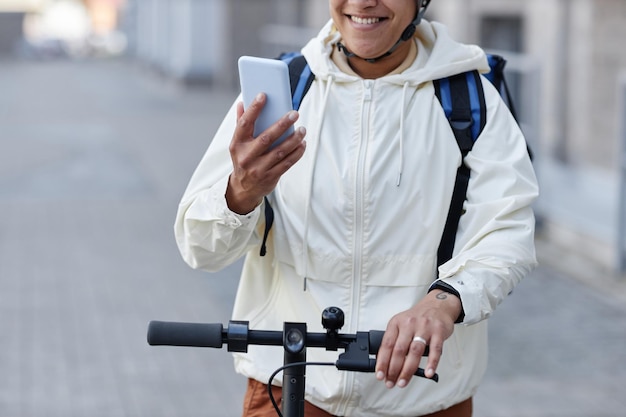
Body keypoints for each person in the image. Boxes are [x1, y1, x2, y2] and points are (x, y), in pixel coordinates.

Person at [174, 0, 538, 415]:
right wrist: (241, 192)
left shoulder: (469, 99)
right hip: (290, 387)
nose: (363, 2)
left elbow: (506, 231)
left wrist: (444, 301)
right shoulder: (283, 91)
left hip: (423, 395)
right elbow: (201, 248)